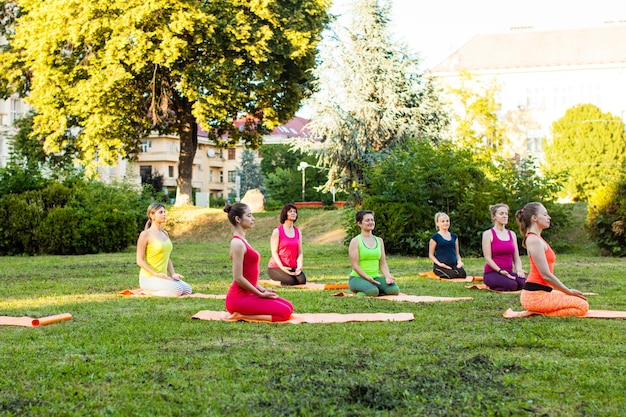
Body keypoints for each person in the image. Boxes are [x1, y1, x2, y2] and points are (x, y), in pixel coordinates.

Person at [515, 202, 588, 317]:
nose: (549, 218)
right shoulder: (533, 240)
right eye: (544, 215)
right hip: (534, 296)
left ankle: (541, 311)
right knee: (582, 307)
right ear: (534, 218)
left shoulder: (537, 239)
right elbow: (545, 275)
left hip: (542, 293)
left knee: (582, 302)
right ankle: (541, 313)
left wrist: (568, 292)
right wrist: (567, 291)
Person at [225, 203, 294, 322]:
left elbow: (249, 277)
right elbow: (238, 278)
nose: (253, 219)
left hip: (250, 294)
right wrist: (260, 294)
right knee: (284, 313)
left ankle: (244, 311)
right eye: (249, 215)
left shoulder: (243, 241)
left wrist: (263, 290)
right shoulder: (237, 243)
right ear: (238, 219)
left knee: (289, 307)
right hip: (238, 298)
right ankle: (241, 315)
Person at [136, 203, 192, 297]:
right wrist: (155, 274)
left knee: (187, 290)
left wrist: (173, 274)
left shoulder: (165, 233)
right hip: (148, 278)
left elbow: (167, 257)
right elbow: (139, 261)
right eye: (160, 212)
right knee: (177, 290)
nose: (164, 214)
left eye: (164, 212)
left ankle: (164, 287)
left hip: (162, 277)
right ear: (152, 215)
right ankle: (148, 292)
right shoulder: (145, 234)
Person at [348, 210, 400, 297]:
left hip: (375, 277)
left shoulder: (379, 240)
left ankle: (373, 289)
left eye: (372, 220)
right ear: (360, 224)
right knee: (372, 291)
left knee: (394, 290)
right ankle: (362, 293)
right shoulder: (355, 241)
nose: (371, 222)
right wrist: (367, 278)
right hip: (357, 278)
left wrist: (387, 276)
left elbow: (383, 263)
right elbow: (355, 265)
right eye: (367, 220)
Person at [482, 203, 527, 291]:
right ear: (494, 217)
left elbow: (516, 257)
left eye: (506, 214)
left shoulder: (512, 234)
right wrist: (500, 271)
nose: (505, 216)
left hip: (509, 272)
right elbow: (488, 258)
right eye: (501, 214)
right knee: (512, 285)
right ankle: (495, 284)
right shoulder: (488, 234)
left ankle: (504, 282)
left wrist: (519, 270)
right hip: (493, 273)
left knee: (524, 283)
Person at [267, 203, 306, 285]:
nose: (293, 213)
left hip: (292, 266)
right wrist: (282, 268)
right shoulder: (277, 231)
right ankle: (273, 281)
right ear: (285, 214)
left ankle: (291, 274)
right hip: (276, 267)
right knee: (290, 281)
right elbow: (274, 253)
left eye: (295, 212)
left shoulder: (298, 232)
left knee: (302, 281)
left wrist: (299, 267)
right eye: (290, 211)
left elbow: (300, 252)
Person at [428, 212, 467, 279]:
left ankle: (453, 270)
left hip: (453, 264)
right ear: (437, 223)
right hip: (441, 265)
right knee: (452, 275)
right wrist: (440, 264)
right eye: (443, 221)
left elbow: (457, 254)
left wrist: (459, 262)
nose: (445, 223)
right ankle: (445, 271)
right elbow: (431, 255)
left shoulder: (454, 236)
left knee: (462, 274)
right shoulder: (435, 237)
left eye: (447, 221)